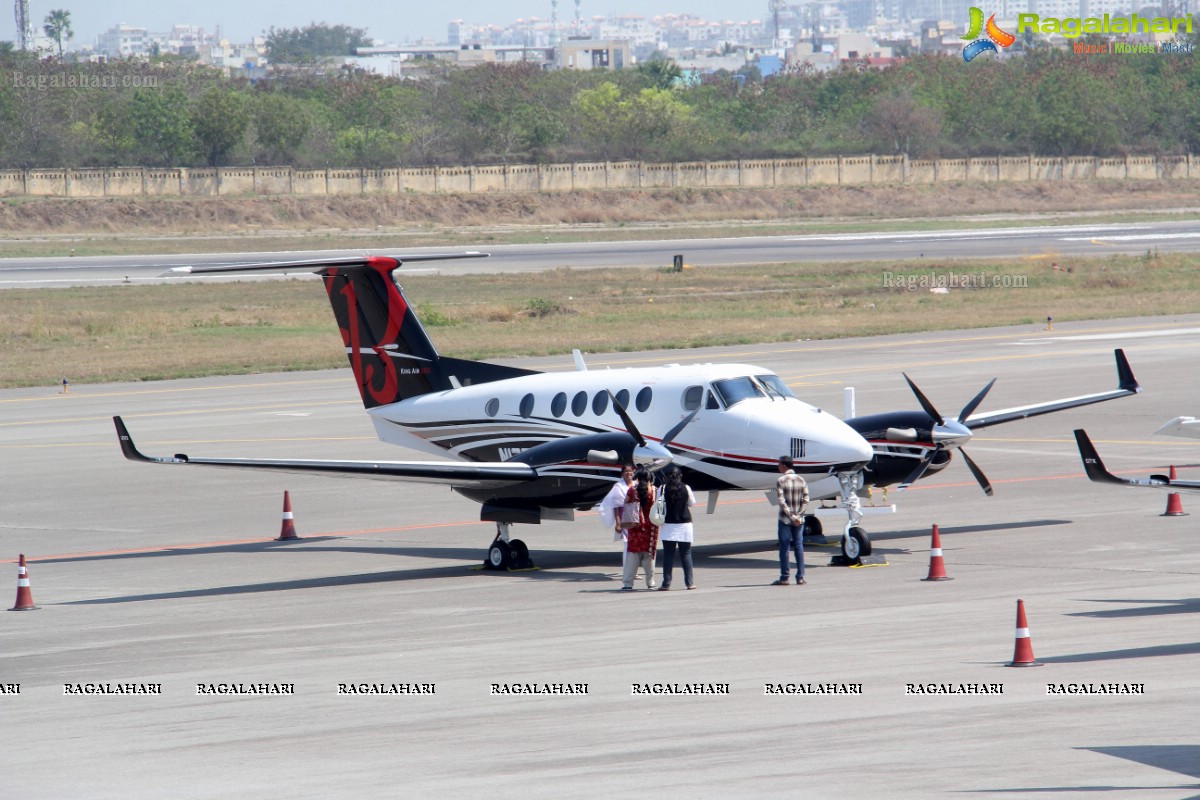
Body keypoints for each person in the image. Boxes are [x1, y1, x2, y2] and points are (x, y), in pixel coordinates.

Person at [657, 466, 697, 590]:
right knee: (685, 554)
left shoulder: (662, 488)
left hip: (668, 524)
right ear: (680, 476)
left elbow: (658, 506)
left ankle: (666, 584)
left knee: (668, 555)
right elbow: (692, 503)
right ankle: (690, 583)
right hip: (685, 524)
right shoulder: (686, 487)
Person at [773, 455, 809, 586]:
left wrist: (791, 515)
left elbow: (782, 501)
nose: (778, 467)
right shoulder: (801, 480)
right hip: (799, 520)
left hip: (785, 519)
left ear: (784, 465)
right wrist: (799, 516)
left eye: (779, 464)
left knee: (785, 548)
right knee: (799, 547)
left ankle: (785, 577)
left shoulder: (781, 480)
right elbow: (806, 500)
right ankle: (800, 577)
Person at [621, 467, 658, 591]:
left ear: (637, 478)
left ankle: (628, 583)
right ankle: (651, 582)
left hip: (635, 526)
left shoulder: (632, 490)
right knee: (649, 556)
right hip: (650, 527)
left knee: (633, 556)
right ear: (649, 478)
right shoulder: (654, 491)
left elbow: (625, 503)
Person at [599, 465, 635, 568]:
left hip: (636, 519)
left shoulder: (636, 485)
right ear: (622, 474)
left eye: (630, 471)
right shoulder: (618, 487)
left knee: (636, 545)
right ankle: (627, 569)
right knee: (627, 544)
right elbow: (616, 507)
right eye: (626, 471)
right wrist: (618, 523)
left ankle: (633, 570)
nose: (629, 473)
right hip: (626, 519)